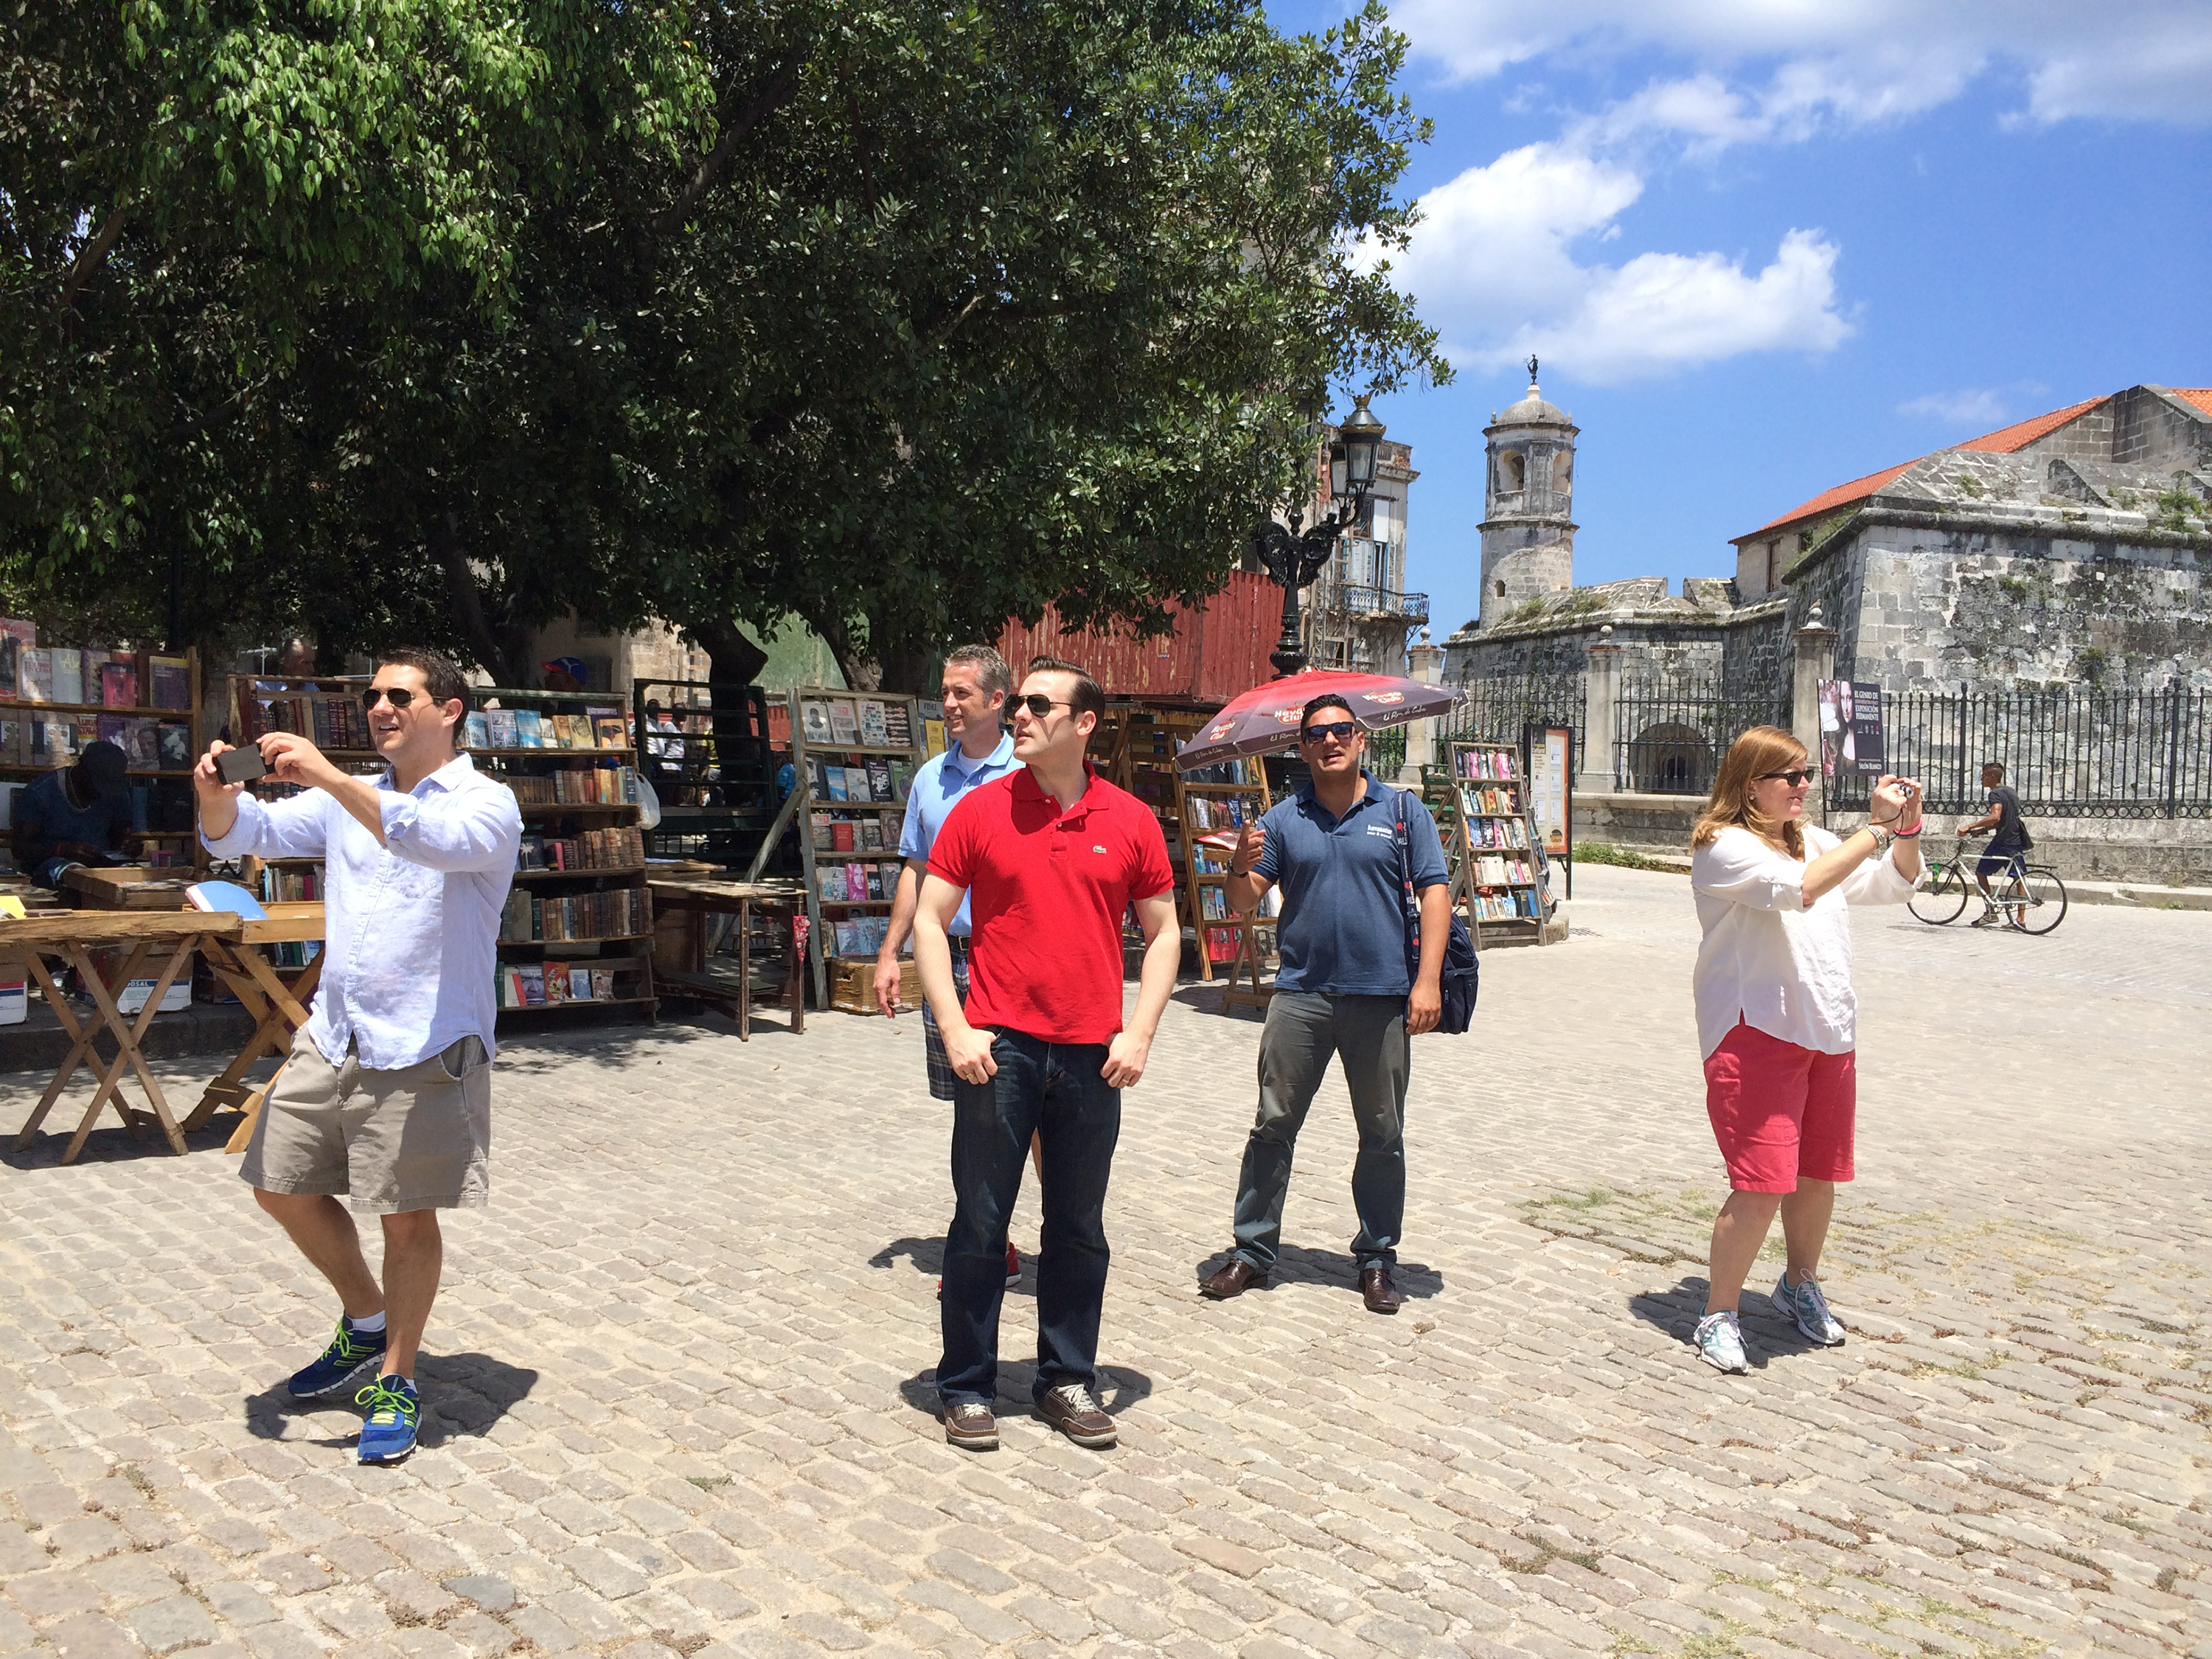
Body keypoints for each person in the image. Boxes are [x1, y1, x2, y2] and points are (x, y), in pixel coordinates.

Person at [196, 647, 521, 1463]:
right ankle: (367, 1318)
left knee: (406, 1216)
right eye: (373, 696)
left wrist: (329, 779)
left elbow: (428, 841)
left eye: (398, 696)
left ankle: (398, 1377)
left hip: (425, 1041)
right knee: (278, 1184)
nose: (380, 707)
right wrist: (214, 796)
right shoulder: (355, 797)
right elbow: (247, 833)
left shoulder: (488, 804)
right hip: (336, 1031)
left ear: (447, 710)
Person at [913, 655, 1180, 1453]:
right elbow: (932, 920)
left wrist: (1140, 1032)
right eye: (1018, 702)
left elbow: (1164, 934)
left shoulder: (1131, 820)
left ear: (1084, 722)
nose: (1019, 715)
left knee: (1077, 1226)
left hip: (1093, 1054)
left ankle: (1067, 1377)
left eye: (1038, 704)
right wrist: (955, 1027)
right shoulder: (981, 811)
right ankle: (964, 1385)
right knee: (980, 1224)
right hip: (1002, 1050)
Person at [1200, 695, 1450, 1315]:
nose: (1329, 741)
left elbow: (1435, 893)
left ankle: (1377, 1257)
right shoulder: (1283, 820)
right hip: (1301, 997)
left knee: (1382, 1132)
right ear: (1302, 748)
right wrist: (1237, 868)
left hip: (1381, 997)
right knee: (1272, 1124)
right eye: (1315, 734)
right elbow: (1242, 902)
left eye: (1340, 730)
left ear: (1361, 739)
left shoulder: (1400, 810)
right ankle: (1252, 1251)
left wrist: (1428, 982)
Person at [1687, 726, 1923, 1375]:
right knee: (1761, 1183)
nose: (1802, 787)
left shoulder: (1813, 840)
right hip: (1756, 1028)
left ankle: (1798, 1283)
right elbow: (1802, 888)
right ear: (1748, 784)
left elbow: (1892, 887)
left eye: (1806, 776)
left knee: (1819, 1175)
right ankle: (1720, 1312)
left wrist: (1904, 832)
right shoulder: (1722, 846)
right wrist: (1873, 831)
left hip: (1825, 1027)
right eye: (1789, 776)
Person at [874, 644, 1033, 1289]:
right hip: (950, 966)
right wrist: (890, 952)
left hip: (1010, 962)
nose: (949, 705)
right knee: (974, 1112)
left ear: (998, 701)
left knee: (1026, 1108)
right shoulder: (929, 779)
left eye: (963, 693)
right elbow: (917, 871)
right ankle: (988, 1242)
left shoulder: (1024, 775)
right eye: (945, 692)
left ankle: (1028, 1237)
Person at [12, 740, 133, 888]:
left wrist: (127, 847)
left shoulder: (117, 794)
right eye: (98, 784)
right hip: (53, 866)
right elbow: (19, 848)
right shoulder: (42, 791)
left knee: (133, 874)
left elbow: (118, 839)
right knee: (76, 876)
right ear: (81, 769)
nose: (102, 791)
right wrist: (62, 850)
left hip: (103, 864)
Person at [1957, 762, 2031, 927]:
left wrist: (1970, 826)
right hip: (2015, 840)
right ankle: (2020, 920)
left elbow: (1995, 816)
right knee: (2019, 879)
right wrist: (1981, 832)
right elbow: (2004, 820)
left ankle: (1990, 913)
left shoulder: (1995, 794)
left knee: (1981, 872)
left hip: (2002, 843)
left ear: (1992, 777)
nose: (1982, 780)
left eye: (1983, 777)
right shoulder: (2011, 792)